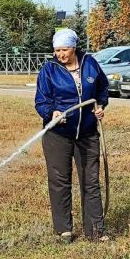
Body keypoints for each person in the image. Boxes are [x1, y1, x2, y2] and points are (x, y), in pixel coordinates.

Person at [35, 29, 109, 243]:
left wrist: (100, 105)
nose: (61, 54)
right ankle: (64, 230)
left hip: (87, 133)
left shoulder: (90, 63)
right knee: (60, 181)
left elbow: (102, 88)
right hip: (58, 135)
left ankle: (95, 231)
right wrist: (52, 113)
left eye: (65, 49)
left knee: (91, 181)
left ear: (74, 47)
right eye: (57, 50)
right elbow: (41, 101)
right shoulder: (49, 70)